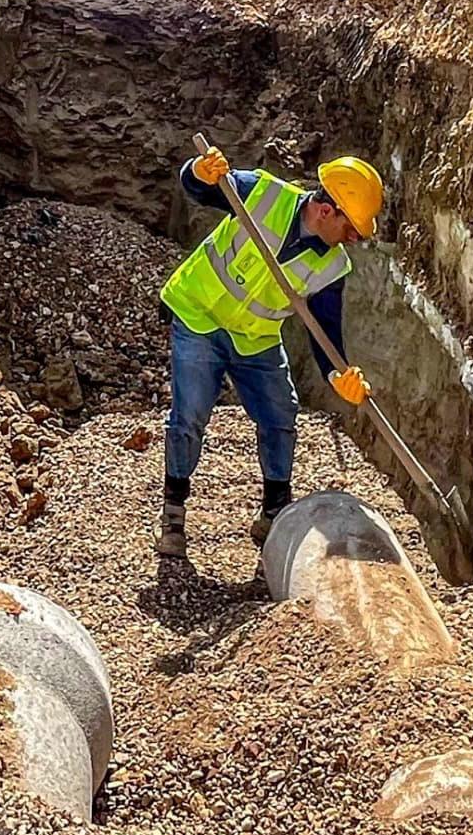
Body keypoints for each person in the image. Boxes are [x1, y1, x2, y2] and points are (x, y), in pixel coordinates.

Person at [153, 145, 384, 559]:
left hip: (255, 338)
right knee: (189, 413)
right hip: (199, 316)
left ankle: (275, 506)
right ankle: (174, 510)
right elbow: (198, 188)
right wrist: (200, 171)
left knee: (280, 414)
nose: (355, 238)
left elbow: (325, 335)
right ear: (326, 210)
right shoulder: (261, 194)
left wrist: (340, 377)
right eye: (353, 227)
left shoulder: (332, 267)